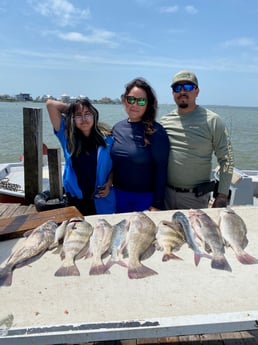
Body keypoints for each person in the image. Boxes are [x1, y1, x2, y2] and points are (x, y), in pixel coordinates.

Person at [160, 70, 234, 209]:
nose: (182, 91)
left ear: (197, 91)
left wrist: (222, 195)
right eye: (177, 88)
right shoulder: (165, 121)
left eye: (188, 87)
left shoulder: (213, 121)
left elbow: (227, 159)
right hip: (166, 195)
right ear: (172, 93)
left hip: (195, 198)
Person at [46, 98, 116, 216]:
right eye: (78, 115)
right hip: (74, 200)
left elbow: (115, 166)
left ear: (94, 115)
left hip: (101, 199)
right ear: (72, 118)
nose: (83, 119)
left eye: (87, 114)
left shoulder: (108, 139)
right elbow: (50, 105)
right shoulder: (67, 136)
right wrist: (74, 108)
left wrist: (109, 184)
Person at [111, 77, 170, 213]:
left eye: (141, 101)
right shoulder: (117, 128)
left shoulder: (157, 132)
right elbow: (113, 163)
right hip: (119, 195)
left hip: (145, 198)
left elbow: (161, 170)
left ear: (148, 104)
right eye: (131, 99)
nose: (135, 105)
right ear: (125, 100)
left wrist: (157, 204)